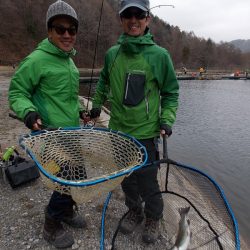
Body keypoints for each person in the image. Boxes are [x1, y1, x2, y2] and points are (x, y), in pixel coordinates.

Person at [90, 0, 179, 244]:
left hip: (146, 134)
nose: (133, 20)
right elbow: (103, 82)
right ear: (121, 19)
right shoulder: (112, 54)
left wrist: (167, 119)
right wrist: (96, 105)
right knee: (127, 179)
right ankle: (134, 210)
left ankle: (154, 216)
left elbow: (171, 93)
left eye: (138, 14)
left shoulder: (160, 56)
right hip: (118, 133)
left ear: (148, 18)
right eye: (127, 15)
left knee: (148, 181)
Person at [8, 0, 88, 248]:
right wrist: (29, 113)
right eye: (60, 28)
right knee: (64, 178)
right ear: (49, 31)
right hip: (49, 135)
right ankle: (51, 222)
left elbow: (68, 98)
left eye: (71, 30)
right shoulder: (36, 60)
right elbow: (16, 94)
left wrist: (83, 112)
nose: (66, 34)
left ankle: (65, 211)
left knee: (78, 175)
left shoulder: (70, 61)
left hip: (72, 132)